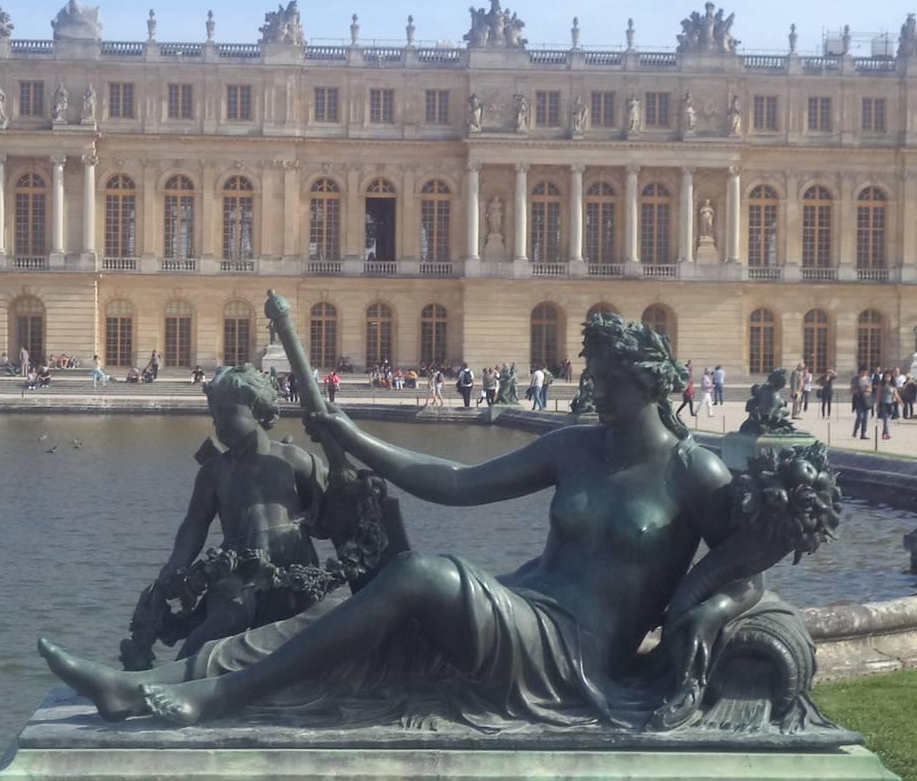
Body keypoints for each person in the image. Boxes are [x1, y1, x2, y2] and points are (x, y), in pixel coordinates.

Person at [40, 313, 778, 731]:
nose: (595, 393)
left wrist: (710, 607)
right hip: (526, 608)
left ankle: (215, 699)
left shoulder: (694, 472)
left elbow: (749, 559)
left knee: (420, 576)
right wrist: (356, 438)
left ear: (649, 386)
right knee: (344, 611)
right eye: (595, 381)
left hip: (575, 658)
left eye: (608, 384)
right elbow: (456, 483)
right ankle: (147, 685)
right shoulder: (575, 449)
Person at [119, 364, 332, 663]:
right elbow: (194, 527)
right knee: (230, 614)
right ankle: (175, 675)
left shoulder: (294, 460)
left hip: (293, 569)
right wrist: (172, 569)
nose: (217, 421)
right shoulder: (214, 471)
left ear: (258, 409)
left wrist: (348, 483)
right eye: (213, 412)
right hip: (237, 567)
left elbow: (328, 516)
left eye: (226, 411)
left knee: (307, 634)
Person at [850, 368, 871, 439]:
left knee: (865, 418)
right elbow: (852, 390)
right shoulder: (855, 379)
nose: (864, 373)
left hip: (866, 400)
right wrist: (859, 389)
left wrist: (867, 389)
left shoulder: (868, 379)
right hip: (858, 399)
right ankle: (855, 430)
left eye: (865, 372)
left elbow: (870, 388)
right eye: (863, 372)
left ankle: (863, 434)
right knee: (860, 417)